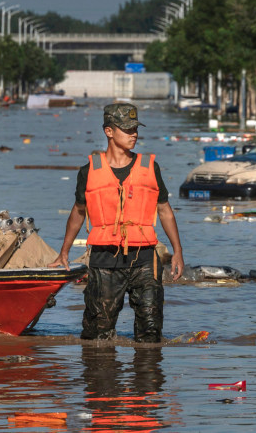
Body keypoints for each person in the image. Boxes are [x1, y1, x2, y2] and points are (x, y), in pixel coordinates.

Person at [51, 102, 185, 342]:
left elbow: (164, 210)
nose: (134, 134)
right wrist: (64, 251)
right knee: (98, 333)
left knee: (151, 331)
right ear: (109, 131)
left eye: (135, 128)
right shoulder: (89, 171)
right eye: (127, 129)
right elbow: (78, 212)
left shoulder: (150, 167)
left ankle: (148, 365)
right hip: (104, 258)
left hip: (145, 258)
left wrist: (178, 251)